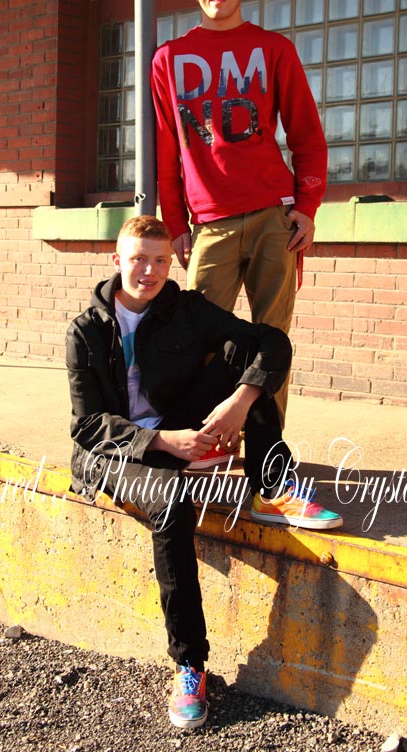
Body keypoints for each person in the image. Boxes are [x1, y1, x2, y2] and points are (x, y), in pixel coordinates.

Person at [66, 216, 342, 731]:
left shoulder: (184, 308)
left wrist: (240, 402)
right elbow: (87, 426)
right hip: (117, 452)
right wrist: (164, 443)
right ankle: (190, 664)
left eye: (159, 261)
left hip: (176, 427)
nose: (149, 272)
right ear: (117, 261)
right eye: (138, 259)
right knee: (173, 505)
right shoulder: (86, 330)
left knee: (252, 359)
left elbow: (272, 343)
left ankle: (269, 487)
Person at [150, 0, 327, 430]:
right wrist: (175, 223)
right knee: (198, 338)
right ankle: (204, 441)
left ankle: (267, 449)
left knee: (273, 338)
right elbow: (167, 149)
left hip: (275, 215)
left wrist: (308, 205)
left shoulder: (274, 49)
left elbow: (307, 135)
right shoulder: (169, 59)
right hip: (210, 223)